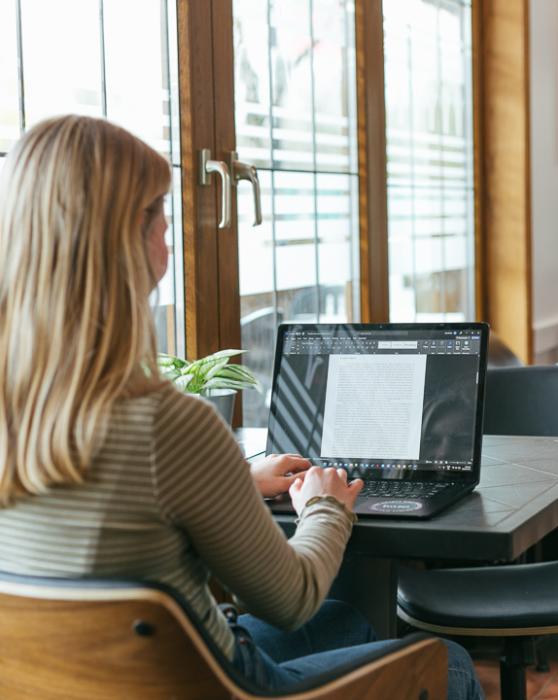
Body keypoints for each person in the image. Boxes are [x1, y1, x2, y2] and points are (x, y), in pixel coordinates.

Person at [0, 115, 484, 699]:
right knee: (447, 662)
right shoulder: (167, 426)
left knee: (350, 623)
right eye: (163, 217)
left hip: (68, 682)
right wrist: (327, 508)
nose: (170, 241)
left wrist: (233, 482)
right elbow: (291, 600)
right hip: (213, 685)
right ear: (130, 237)